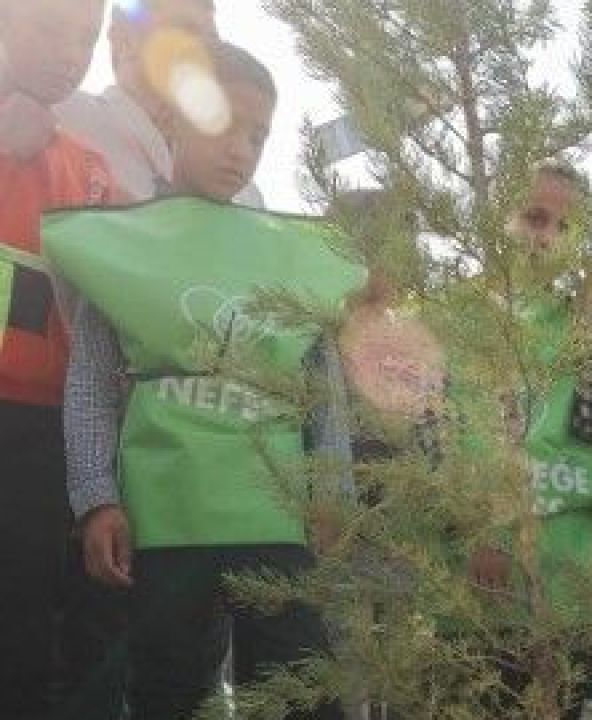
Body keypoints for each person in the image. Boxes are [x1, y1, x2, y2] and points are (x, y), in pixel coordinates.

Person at [54, 42, 356, 720]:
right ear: (171, 119)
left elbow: (321, 384)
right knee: (168, 687)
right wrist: (96, 499)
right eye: (223, 124)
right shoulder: (122, 248)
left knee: (299, 688)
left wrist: (332, 492)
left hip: (274, 516)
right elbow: (91, 383)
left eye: (258, 135)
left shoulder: (287, 255)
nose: (241, 150)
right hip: (166, 518)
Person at [0, 0, 112, 716]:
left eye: (86, 36)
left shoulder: (91, 170)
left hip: (45, 434)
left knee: (25, 628)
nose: (70, 52)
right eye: (50, 27)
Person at [53, 0, 266, 207]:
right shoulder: (61, 120)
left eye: (213, 43)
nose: (206, 54)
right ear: (124, 39)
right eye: (186, 32)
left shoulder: (245, 197)